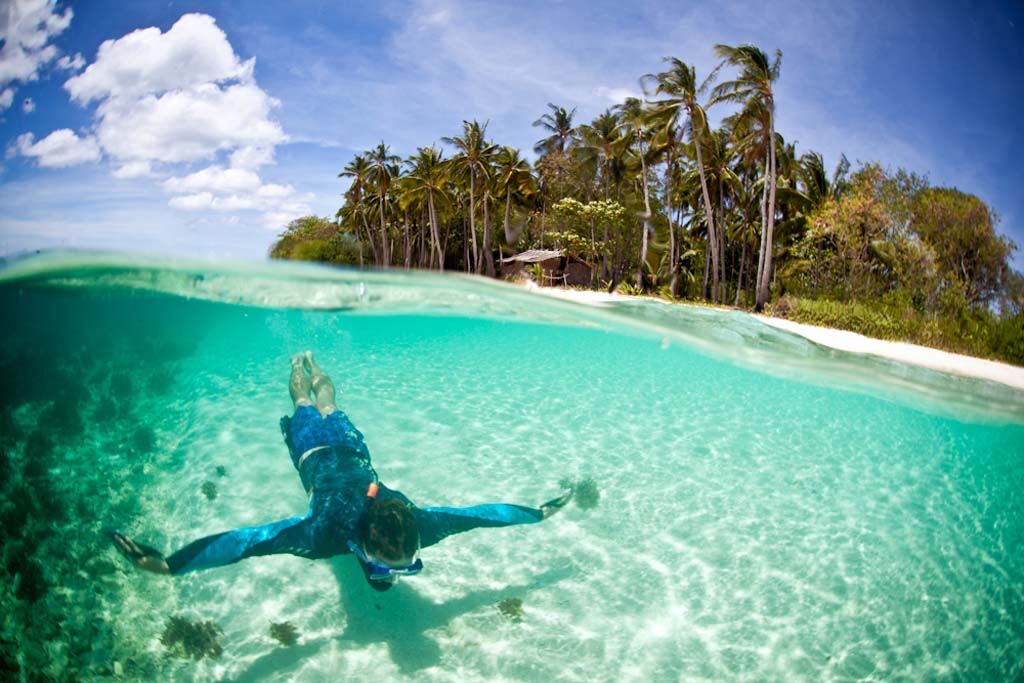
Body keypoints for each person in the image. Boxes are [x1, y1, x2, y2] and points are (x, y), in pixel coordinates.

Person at [111, 351, 572, 592]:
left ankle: (312, 363)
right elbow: (247, 543)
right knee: (305, 401)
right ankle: (299, 366)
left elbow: (480, 516)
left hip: (350, 449)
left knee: (327, 400)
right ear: (363, 544)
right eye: (384, 565)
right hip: (315, 449)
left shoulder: (419, 528)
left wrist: (537, 513)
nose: (393, 571)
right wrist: (170, 565)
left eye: (407, 568)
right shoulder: (324, 532)